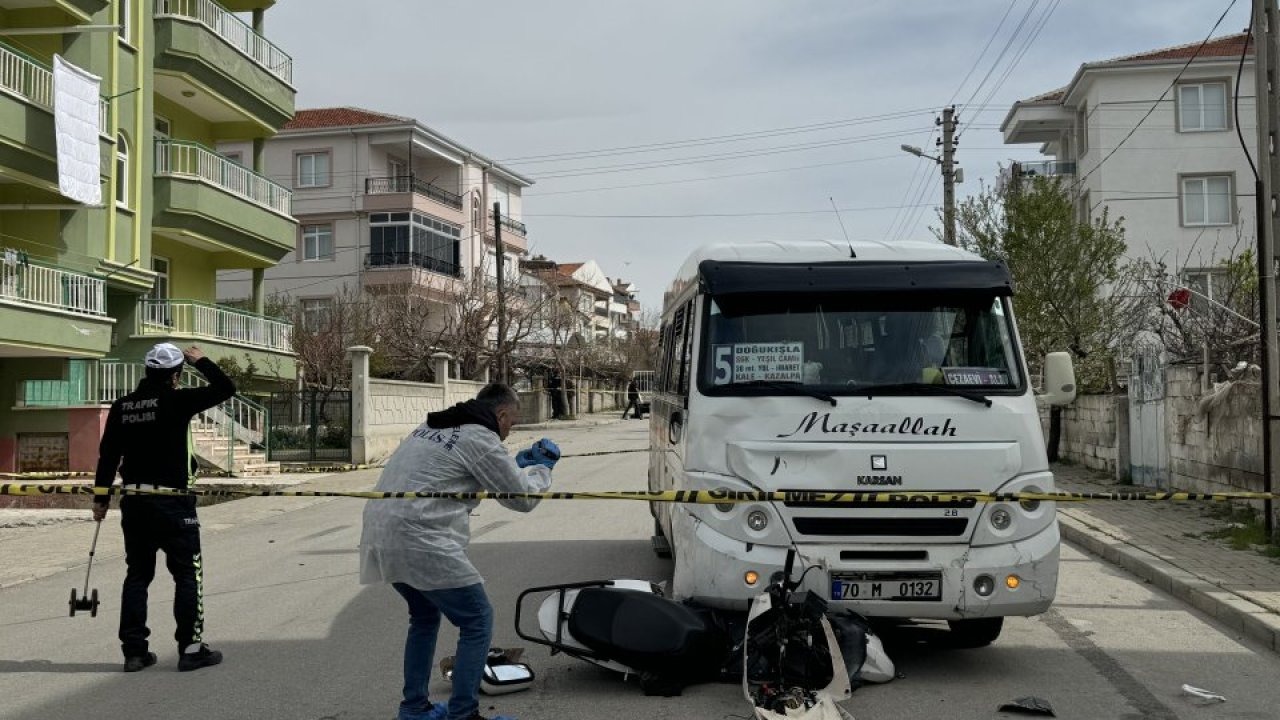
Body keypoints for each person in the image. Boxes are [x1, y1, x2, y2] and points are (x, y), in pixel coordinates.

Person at [361, 384, 558, 720]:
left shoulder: (430, 427)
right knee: (478, 619)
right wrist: (541, 470)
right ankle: (463, 713)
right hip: (420, 536)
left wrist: (511, 465)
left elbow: (449, 471)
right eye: (512, 423)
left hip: (381, 531)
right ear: (500, 415)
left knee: (423, 618)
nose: (510, 431)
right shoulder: (481, 438)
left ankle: (414, 709)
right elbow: (521, 499)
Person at [92, 342, 236, 673]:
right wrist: (201, 361)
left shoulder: (123, 406)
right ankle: (191, 648)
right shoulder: (176, 400)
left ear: (147, 371)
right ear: (176, 374)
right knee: (187, 573)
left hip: (135, 504)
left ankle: (134, 652)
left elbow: (108, 457)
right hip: (174, 503)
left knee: (138, 575)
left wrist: (101, 499)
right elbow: (226, 388)